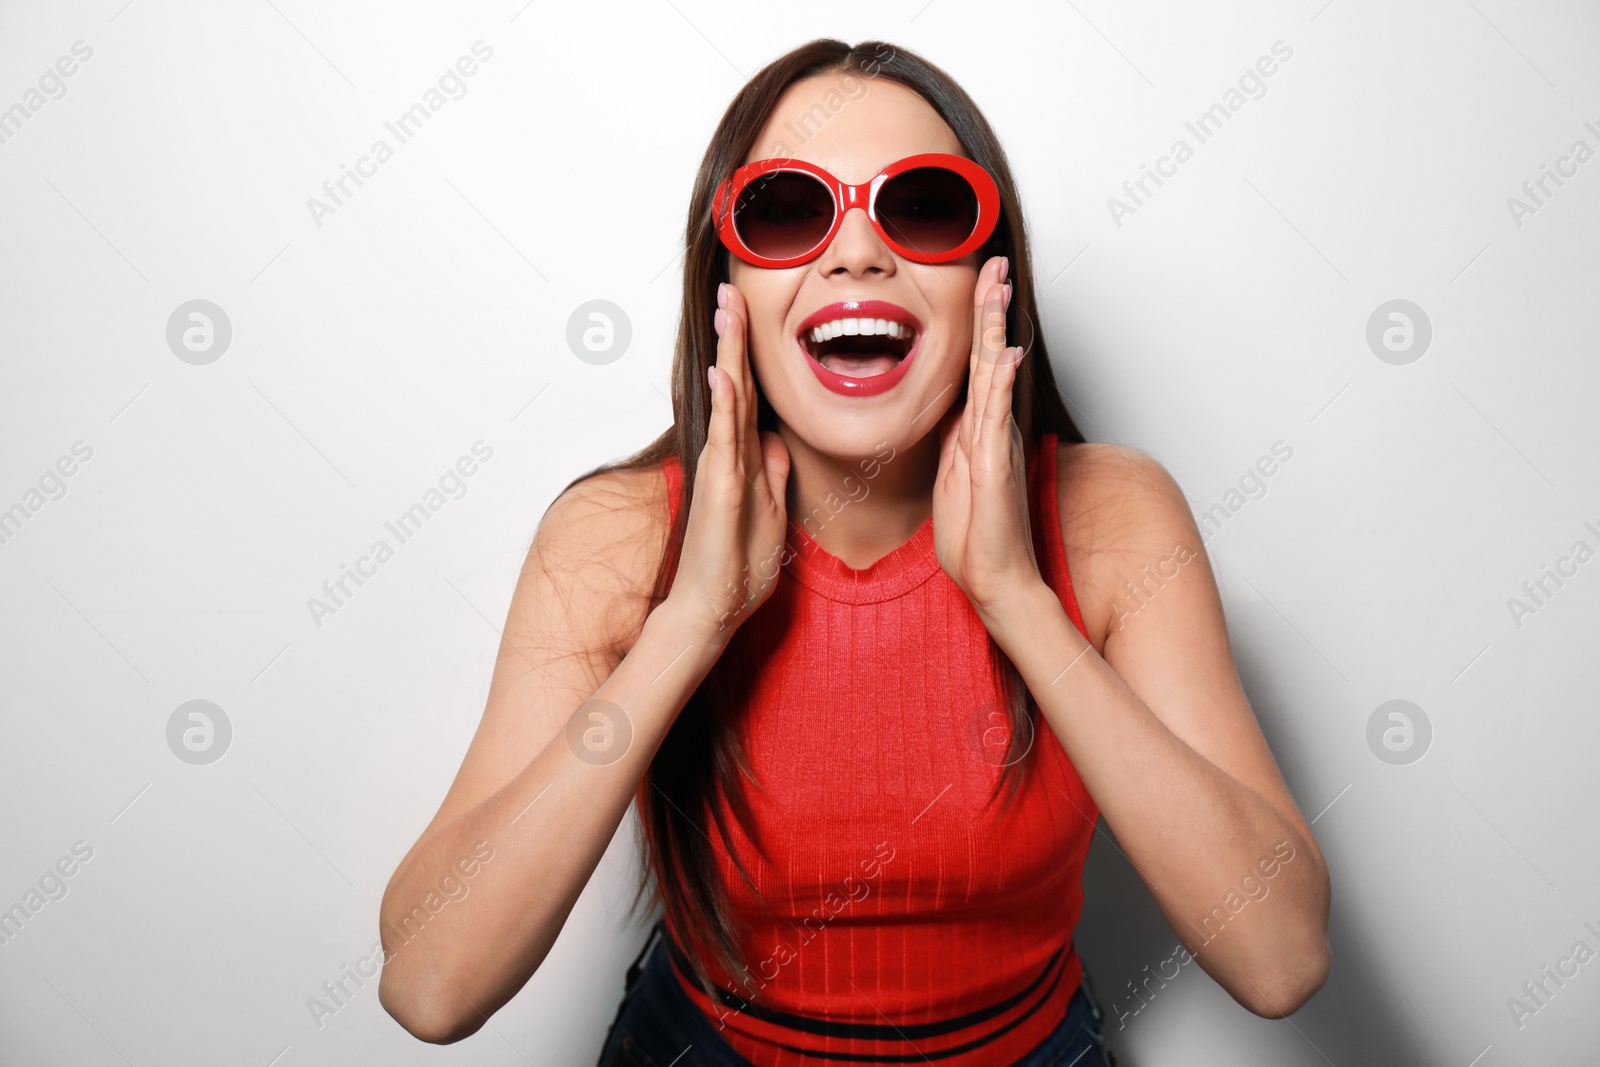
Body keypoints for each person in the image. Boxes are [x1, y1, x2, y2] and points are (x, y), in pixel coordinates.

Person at [374, 37, 1332, 1067]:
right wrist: (687, 622)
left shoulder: (1111, 518)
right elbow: (433, 982)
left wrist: (1016, 596)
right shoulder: (618, 537)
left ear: (987, 276)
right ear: (724, 282)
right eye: (788, 211)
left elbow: (1277, 957)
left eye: (921, 207)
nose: (858, 252)